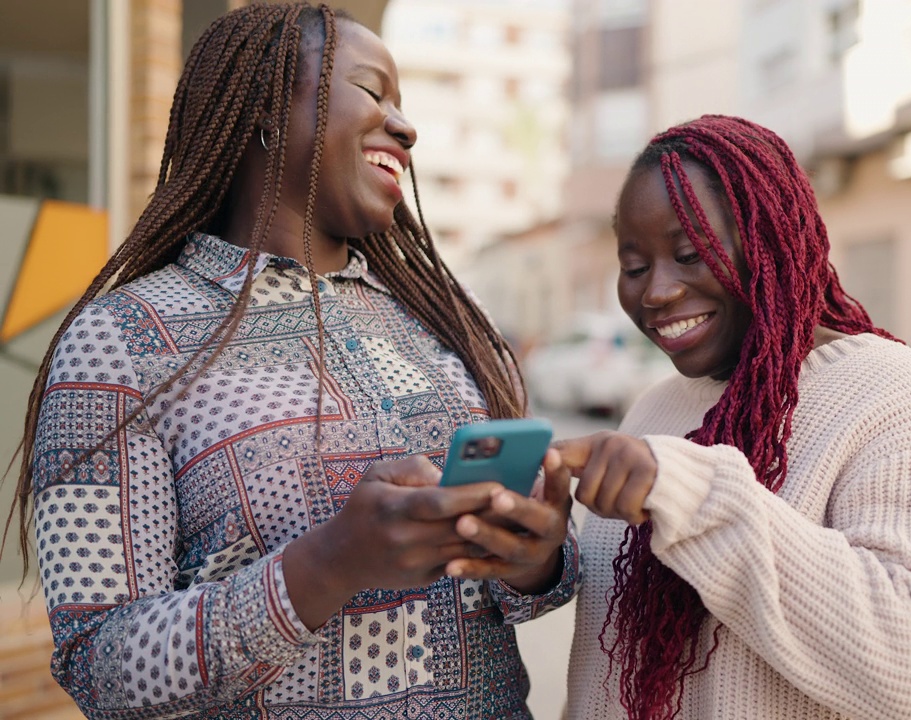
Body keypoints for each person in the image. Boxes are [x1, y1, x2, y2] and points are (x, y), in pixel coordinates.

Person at [9, 4, 577, 718]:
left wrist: (538, 559)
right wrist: (329, 562)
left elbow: (523, 594)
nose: (406, 127)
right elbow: (101, 666)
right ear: (265, 111)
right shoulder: (119, 341)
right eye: (374, 92)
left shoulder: (446, 325)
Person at [551, 116, 911, 720]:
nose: (656, 292)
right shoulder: (653, 409)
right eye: (633, 267)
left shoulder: (898, 395)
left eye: (689, 253)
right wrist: (542, 562)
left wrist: (693, 494)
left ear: (770, 241)